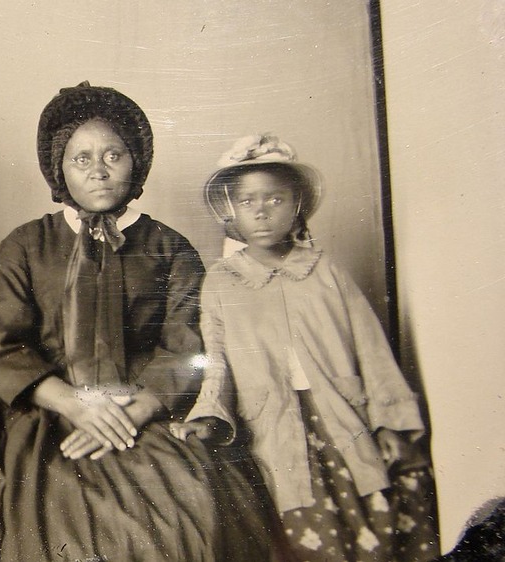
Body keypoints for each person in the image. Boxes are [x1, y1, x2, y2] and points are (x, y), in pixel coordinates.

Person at [0, 82, 279, 561]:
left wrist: (130, 413)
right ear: (59, 168)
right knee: (55, 518)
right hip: (52, 414)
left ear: (136, 161)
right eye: (82, 159)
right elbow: (1, 344)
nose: (98, 171)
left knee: (190, 505)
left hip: (146, 412)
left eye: (113, 156)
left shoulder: (168, 247)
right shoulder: (26, 246)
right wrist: (75, 405)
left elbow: (187, 344)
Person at [170, 134, 440, 561]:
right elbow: (217, 362)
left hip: (340, 415)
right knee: (299, 522)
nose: (260, 211)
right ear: (231, 212)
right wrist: (209, 416)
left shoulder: (324, 270)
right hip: (273, 421)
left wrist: (390, 420)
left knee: (372, 505)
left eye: (274, 199)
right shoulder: (222, 282)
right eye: (247, 201)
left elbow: (371, 349)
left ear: (296, 207)